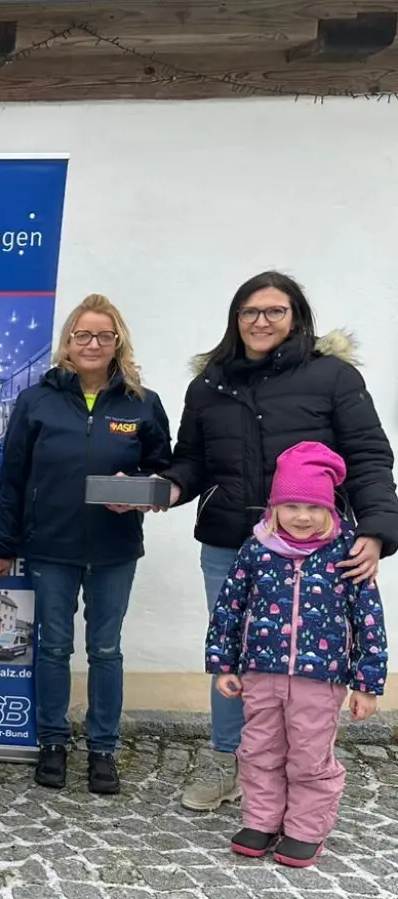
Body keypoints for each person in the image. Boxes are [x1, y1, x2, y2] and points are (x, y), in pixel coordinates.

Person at [161, 271, 398, 812]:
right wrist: (166, 488)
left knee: (305, 663)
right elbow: (191, 461)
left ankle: (304, 773)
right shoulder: (209, 385)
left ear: (296, 317)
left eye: (275, 311)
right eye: (250, 311)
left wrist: (377, 531)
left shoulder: (333, 377)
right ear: (235, 319)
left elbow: (368, 457)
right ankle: (228, 760)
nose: (261, 321)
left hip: (317, 553)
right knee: (233, 654)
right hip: (230, 545)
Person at [0, 294, 173, 794]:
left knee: (105, 649)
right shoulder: (37, 401)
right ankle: (53, 742)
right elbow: (14, 479)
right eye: (83, 334)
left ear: (118, 342)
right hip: (50, 547)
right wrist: (3, 545)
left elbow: (165, 472)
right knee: (54, 647)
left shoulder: (142, 403)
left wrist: (142, 489)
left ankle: (103, 748)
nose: (92, 344)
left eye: (104, 335)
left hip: (114, 549)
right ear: (68, 341)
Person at [204, 441, 386, 867]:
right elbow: (230, 607)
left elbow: (369, 620)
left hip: (319, 680)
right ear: (274, 508)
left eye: (313, 507)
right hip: (261, 674)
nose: (302, 517)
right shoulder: (256, 549)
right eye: (291, 506)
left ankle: (305, 829)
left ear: (329, 508)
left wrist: (367, 684)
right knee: (259, 750)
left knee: (309, 757)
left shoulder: (348, 553)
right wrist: (223, 664)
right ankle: (261, 821)